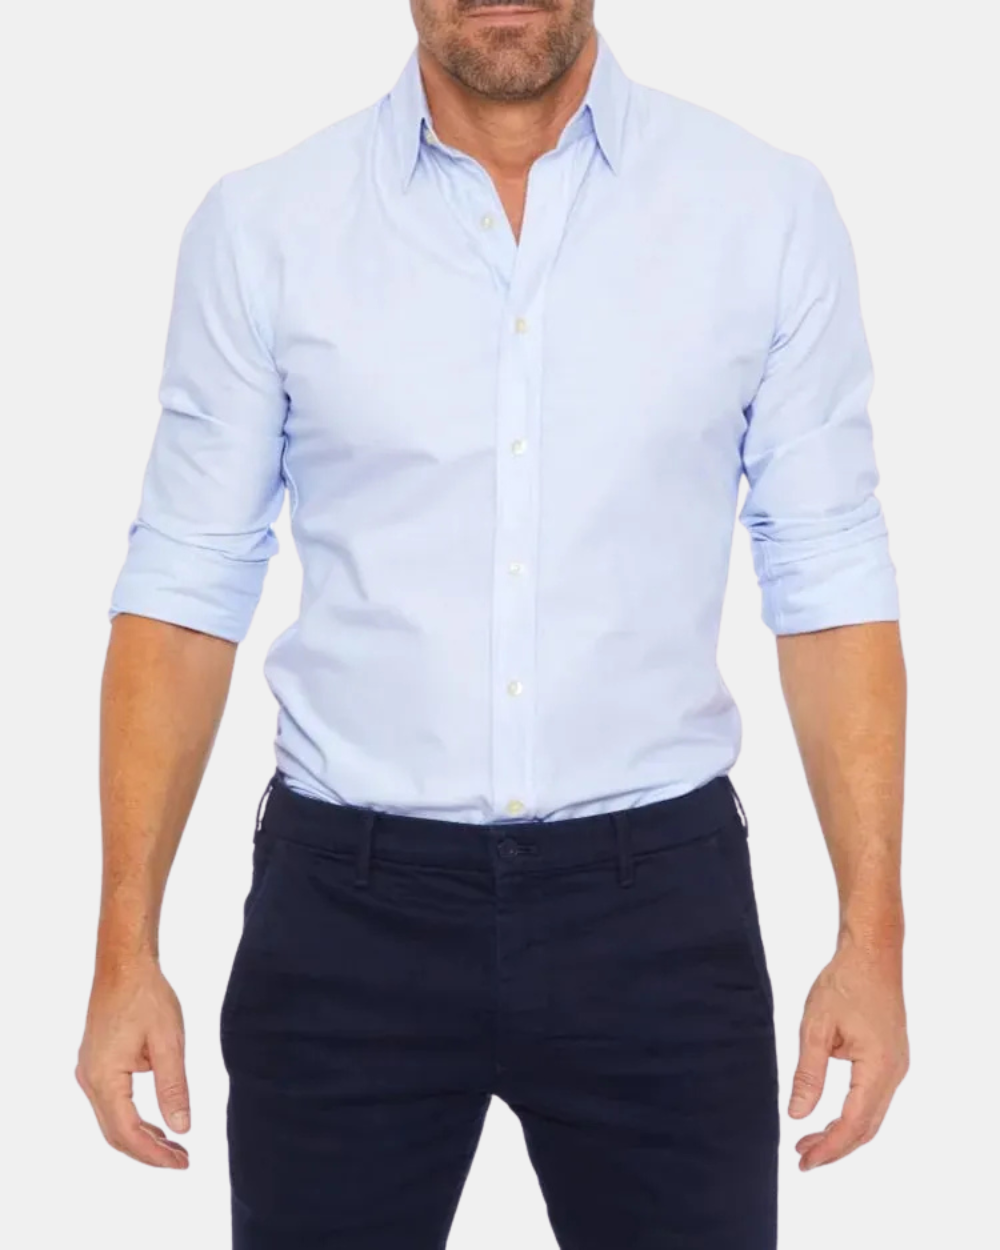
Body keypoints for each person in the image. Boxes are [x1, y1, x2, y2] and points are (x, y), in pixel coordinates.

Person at [76, 2, 909, 1247]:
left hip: (657, 914)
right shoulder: (266, 227)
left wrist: (871, 939)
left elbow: (829, 573)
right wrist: (124, 949)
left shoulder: (763, 211)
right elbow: (185, 588)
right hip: (346, 917)